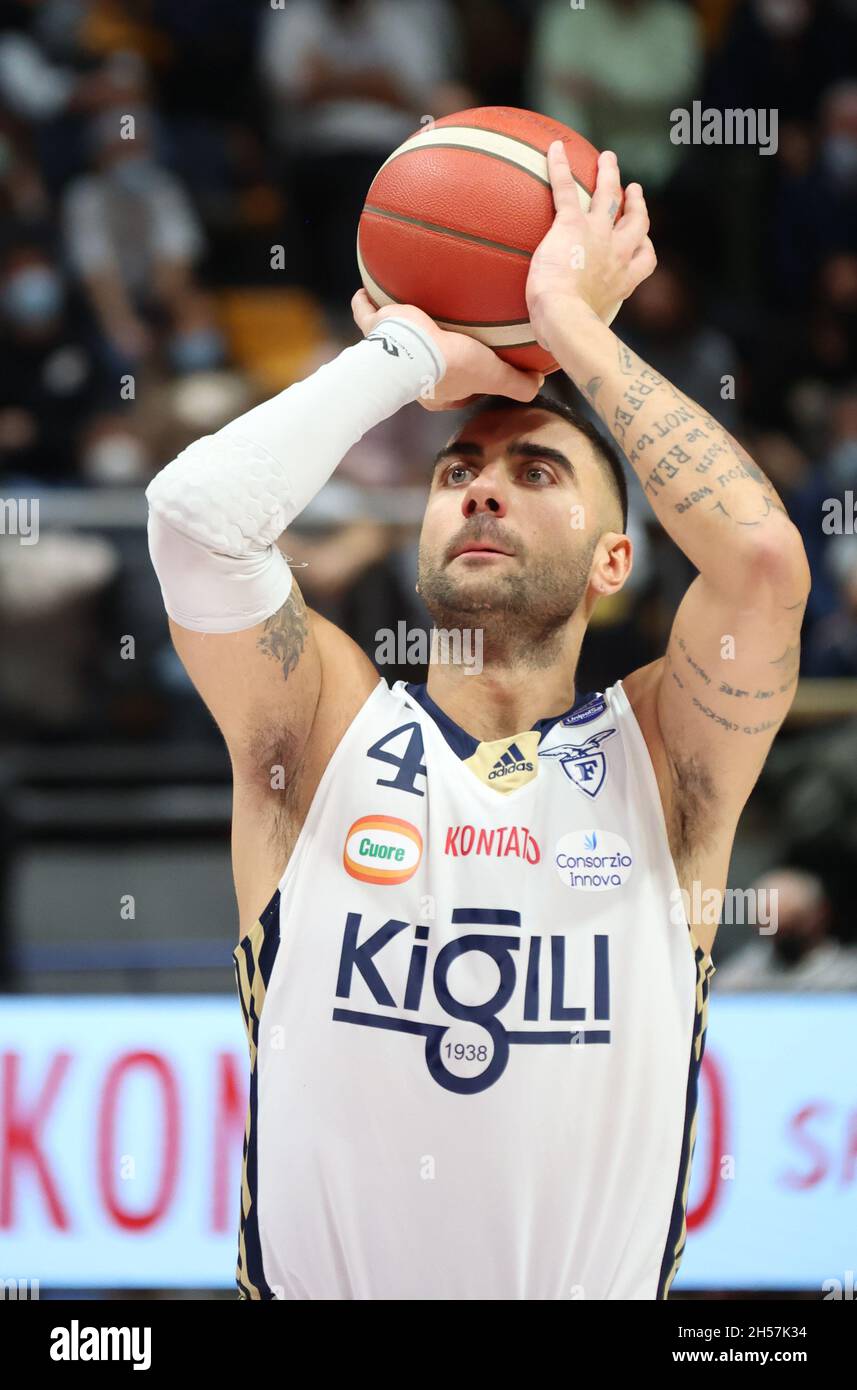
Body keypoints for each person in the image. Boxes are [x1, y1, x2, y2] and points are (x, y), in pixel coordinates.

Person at [145, 144, 810, 1300]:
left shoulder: (661, 759)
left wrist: (566, 322)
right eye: (456, 469)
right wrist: (410, 357)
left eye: (538, 472)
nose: (481, 487)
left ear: (616, 560)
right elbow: (195, 520)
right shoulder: (324, 725)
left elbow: (756, 559)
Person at [714, 868, 857, 991]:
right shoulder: (741, 973)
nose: (780, 936)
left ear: (820, 914)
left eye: (792, 925)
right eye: (770, 925)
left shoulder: (849, 976)